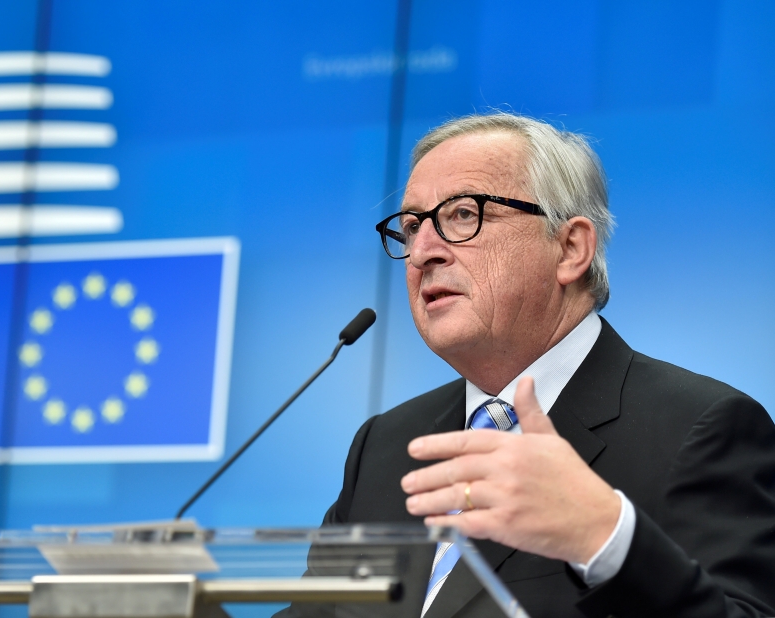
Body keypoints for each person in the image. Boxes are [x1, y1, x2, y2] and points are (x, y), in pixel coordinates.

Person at [324, 113, 775, 617]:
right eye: (411, 227)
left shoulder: (701, 428)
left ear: (570, 247)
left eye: (462, 215)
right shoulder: (384, 445)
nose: (423, 252)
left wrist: (603, 538)